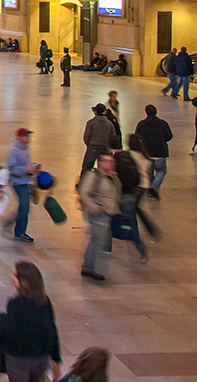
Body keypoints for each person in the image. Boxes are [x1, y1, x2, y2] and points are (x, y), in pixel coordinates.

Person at [0, 261, 61, 382]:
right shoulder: (45, 301)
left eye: (15, 275)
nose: (11, 276)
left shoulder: (15, 304)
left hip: (19, 358)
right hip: (42, 357)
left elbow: (11, 334)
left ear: (24, 282)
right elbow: (52, 330)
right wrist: (56, 359)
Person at [79, 153, 120, 281]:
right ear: (100, 163)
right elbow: (84, 194)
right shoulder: (93, 177)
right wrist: (96, 209)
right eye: (107, 161)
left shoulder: (113, 177)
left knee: (98, 241)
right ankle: (88, 268)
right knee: (95, 242)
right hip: (98, 215)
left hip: (108, 214)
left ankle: (88, 267)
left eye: (112, 161)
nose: (110, 164)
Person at [6, 129, 40, 243]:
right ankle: (19, 232)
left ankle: (13, 224)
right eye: (25, 136)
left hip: (26, 181)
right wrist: (26, 169)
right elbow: (11, 169)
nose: (28, 138)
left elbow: (25, 164)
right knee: (25, 208)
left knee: (24, 208)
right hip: (18, 183)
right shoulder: (13, 150)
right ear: (20, 137)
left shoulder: (26, 148)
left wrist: (33, 168)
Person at [134, 105, 172, 198]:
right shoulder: (163, 123)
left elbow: (137, 137)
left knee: (149, 172)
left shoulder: (141, 124)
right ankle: (154, 188)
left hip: (147, 152)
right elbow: (169, 136)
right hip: (160, 151)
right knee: (161, 171)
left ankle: (152, 188)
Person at [80, 104, 113, 179]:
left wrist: (90, 145)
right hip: (105, 147)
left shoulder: (91, 123)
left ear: (95, 112)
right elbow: (112, 136)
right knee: (105, 168)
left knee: (87, 167)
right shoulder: (109, 124)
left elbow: (86, 137)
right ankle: (105, 183)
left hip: (93, 146)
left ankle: (83, 182)